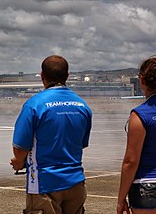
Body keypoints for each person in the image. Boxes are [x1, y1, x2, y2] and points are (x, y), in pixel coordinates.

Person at [11, 55, 92, 214]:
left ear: (42, 75)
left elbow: (20, 147)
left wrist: (19, 162)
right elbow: (81, 143)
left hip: (44, 183)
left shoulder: (34, 105)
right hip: (76, 183)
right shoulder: (82, 106)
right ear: (67, 75)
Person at [117, 55, 156, 214]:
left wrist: (120, 199)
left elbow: (130, 162)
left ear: (141, 80)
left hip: (147, 187)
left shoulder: (140, 115)